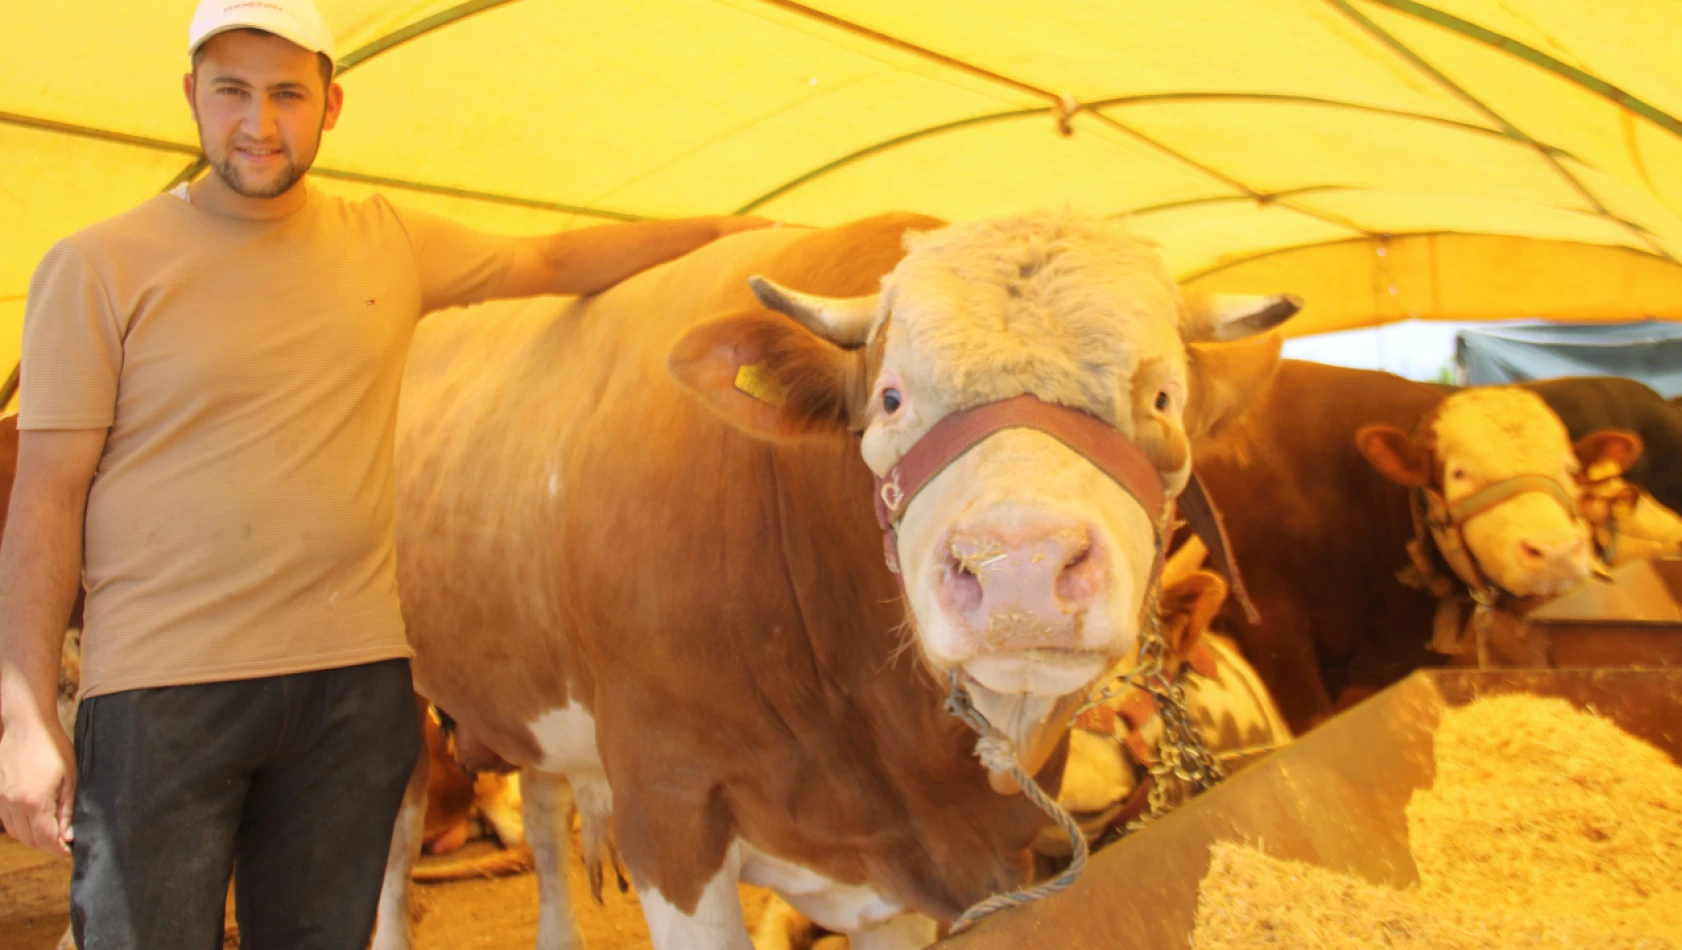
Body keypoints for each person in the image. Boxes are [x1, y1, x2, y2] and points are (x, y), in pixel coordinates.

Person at [0, 1, 773, 946]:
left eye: (288, 93)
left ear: (331, 105)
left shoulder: (387, 240)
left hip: (350, 696)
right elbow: (44, 500)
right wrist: (25, 714)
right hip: (162, 696)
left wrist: (742, 233)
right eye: (232, 91)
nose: (259, 122)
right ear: (191, 97)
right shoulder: (96, 267)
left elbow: (554, 258)